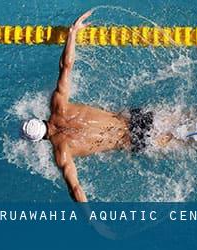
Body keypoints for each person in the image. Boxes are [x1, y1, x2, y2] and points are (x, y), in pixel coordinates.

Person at [21, 11, 173, 202]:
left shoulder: (62, 152)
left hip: (134, 140)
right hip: (135, 118)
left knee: (191, 141)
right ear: (39, 119)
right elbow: (66, 66)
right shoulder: (58, 105)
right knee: (189, 118)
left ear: (39, 140)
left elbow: (75, 189)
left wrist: (94, 223)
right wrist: (72, 33)